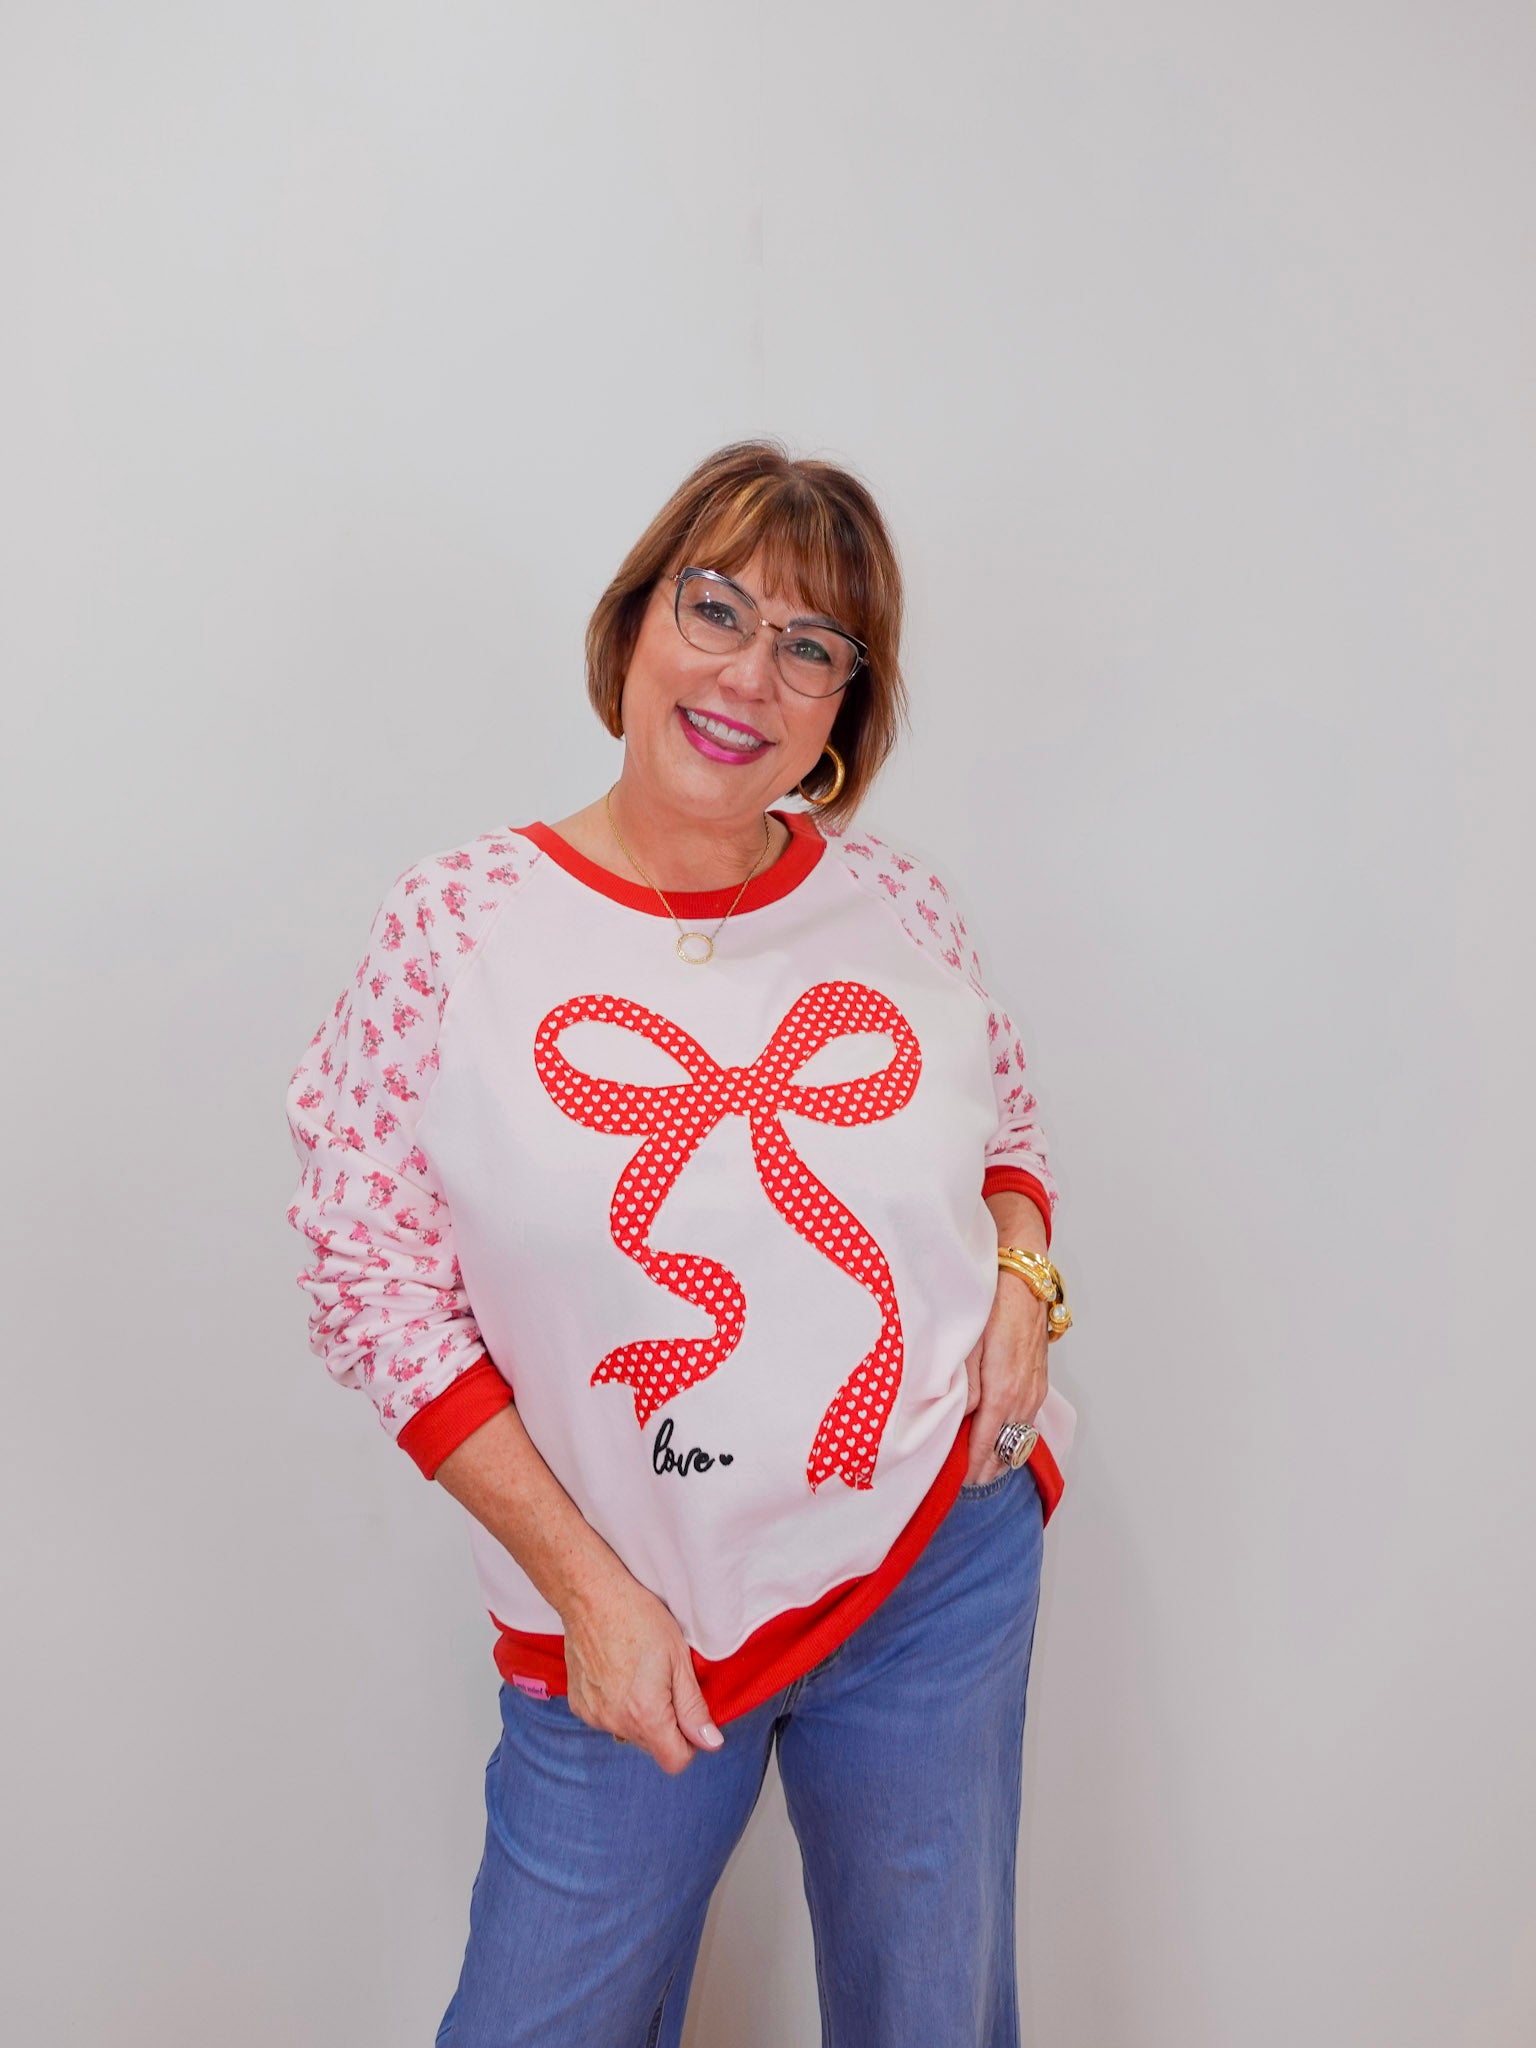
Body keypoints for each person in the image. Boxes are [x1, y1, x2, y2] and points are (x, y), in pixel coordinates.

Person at [283, 439, 1078, 2048]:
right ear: (634, 623)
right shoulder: (459, 926)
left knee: (935, 2020)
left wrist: (1021, 1272)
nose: (750, 676)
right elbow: (367, 1276)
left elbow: (1004, 1126)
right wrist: (592, 1594)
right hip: (622, 1603)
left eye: (811, 647)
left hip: (936, 1558)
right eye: (715, 609)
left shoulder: (903, 911)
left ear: (844, 707)